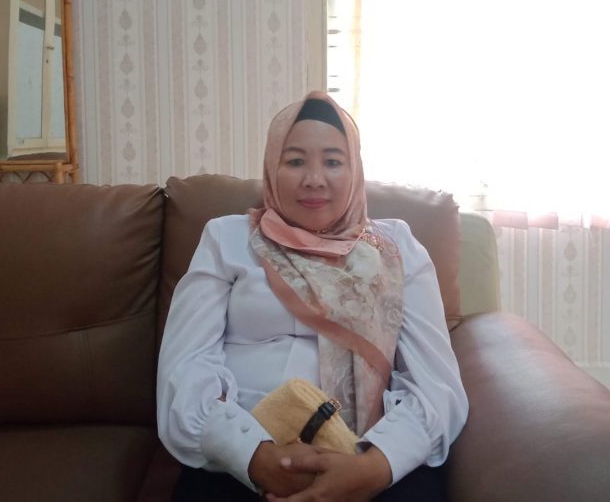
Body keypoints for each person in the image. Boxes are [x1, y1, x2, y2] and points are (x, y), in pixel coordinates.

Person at [157, 91, 468, 501]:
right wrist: (253, 456)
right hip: (242, 450)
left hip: (365, 448)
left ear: (355, 169)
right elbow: (186, 365)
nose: (314, 179)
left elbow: (436, 384)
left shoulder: (396, 248)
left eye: (333, 162)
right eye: (295, 161)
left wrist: (372, 468)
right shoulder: (226, 238)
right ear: (272, 168)